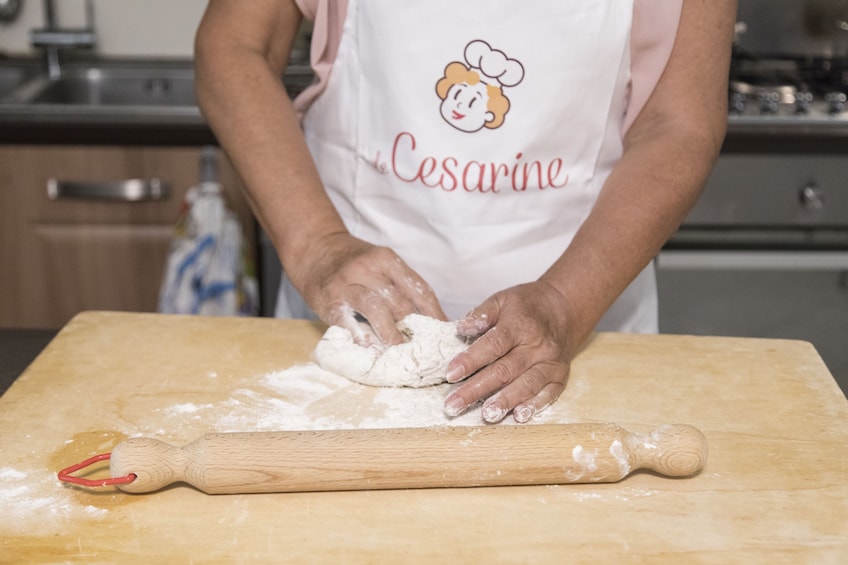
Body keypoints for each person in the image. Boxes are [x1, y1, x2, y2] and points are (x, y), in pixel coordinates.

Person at [194, 0, 736, 423]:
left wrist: (566, 302)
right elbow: (235, 45)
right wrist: (316, 243)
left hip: (587, 320)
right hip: (347, 325)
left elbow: (679, 123)